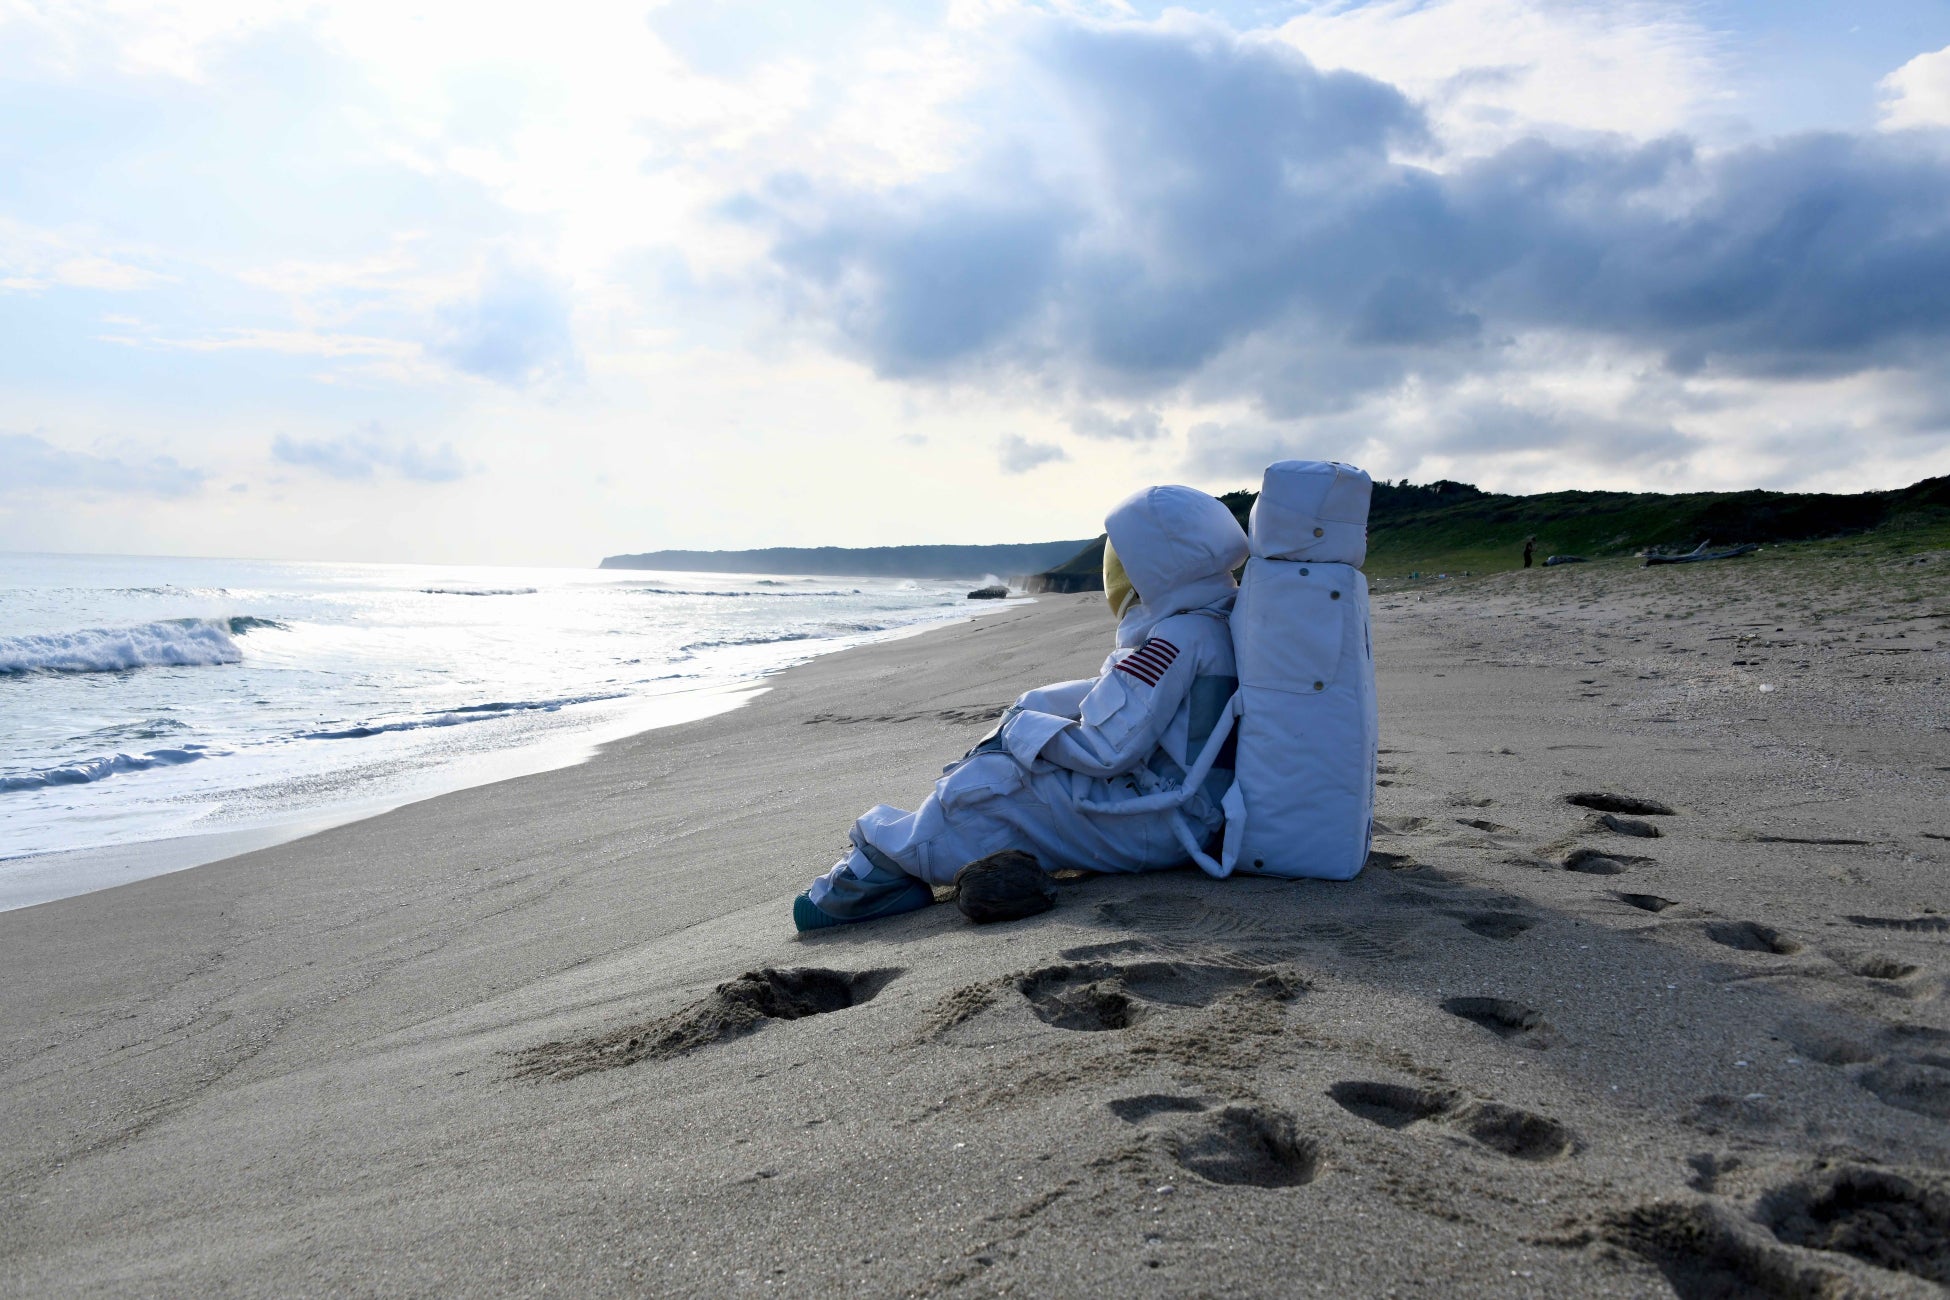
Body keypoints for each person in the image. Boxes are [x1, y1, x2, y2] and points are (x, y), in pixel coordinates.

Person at [794, 485, 1250, 930]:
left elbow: (1106, 750)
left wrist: (1021, 731)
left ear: (1157, 569)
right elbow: (1130, 702)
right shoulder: (1212, 622)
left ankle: (874, 874)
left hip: (1159, 822)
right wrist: (1034, 709)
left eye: (1123, 564)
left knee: (988, 785)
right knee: (1014, 778)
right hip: (1183, 813)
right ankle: (907, 854)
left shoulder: (1175, 639)